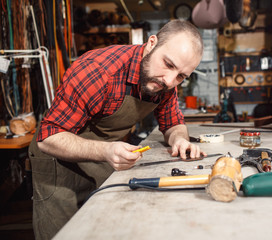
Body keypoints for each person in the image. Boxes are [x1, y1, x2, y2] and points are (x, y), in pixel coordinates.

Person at [29, 19, 206, 239]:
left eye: (181, 76)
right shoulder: (98, 71)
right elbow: (48, 137)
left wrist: (179, 139)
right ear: (151, 43)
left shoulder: (165, 82)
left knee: (107, 221)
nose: (170, 80)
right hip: (57, 155)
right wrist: (105, 151)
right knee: (63, 231)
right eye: (168, 65)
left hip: (104, 152)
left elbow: (172, 123)